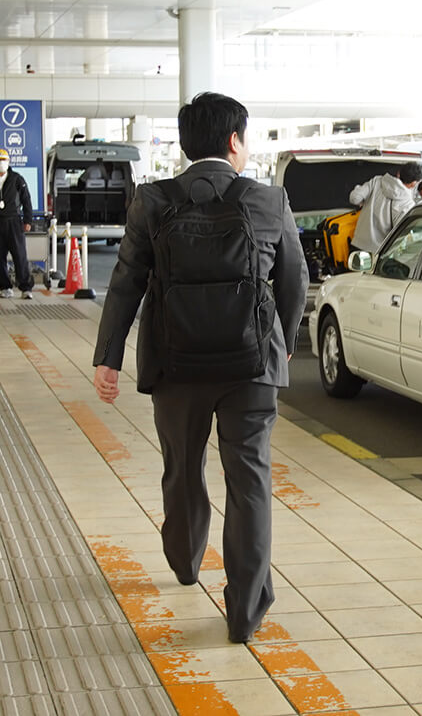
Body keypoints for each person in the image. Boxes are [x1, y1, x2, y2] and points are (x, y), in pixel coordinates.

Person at [91, 92, 308, 644]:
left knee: (182, 468)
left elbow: (126, 282)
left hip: (176, 366)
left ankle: (186, 562)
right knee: (250, 481)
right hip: (250, 369)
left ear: (187, 144)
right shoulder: (267, 200)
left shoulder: (152, 201)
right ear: (234, 141)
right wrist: (279, 344)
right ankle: (245, 611)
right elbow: (294, 281)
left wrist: (107, 358)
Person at [0, 148, 35, 299]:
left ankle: (25, 288)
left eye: (4, 160)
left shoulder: (17, 179)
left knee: (19, 255)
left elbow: (26, 200)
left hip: (14, 222)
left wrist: (28, 220)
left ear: (9, 162)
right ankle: (5, 287)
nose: (1, 163)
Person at [348, 161, 422, 252]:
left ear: (398, 173)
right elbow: (400, 234)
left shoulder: (377, 181)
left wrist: (363, 200)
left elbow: (354, 198)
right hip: (379, 252)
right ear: (414, 183)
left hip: (358, 245)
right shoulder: (408, 204)